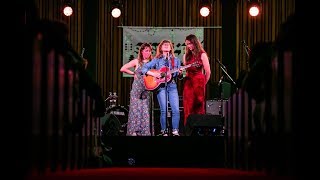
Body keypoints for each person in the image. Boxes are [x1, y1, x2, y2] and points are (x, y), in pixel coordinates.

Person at [141, 40, 182, 136]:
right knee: (164, 110)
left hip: (172, 85)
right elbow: (144, 69)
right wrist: (153, 73)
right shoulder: (157, 60)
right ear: (161, 48)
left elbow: (179, 77)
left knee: (175, 109)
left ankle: (175, 130)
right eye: (164, 44)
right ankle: (164, 131)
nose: (166, 45)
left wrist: (180, 73)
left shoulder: (176, 60)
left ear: (171, 48)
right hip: (160, 86)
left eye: (168, 44)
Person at [120, 43, 153, 136]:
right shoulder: (136, 61)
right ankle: (134, 131)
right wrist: (133, 73)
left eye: (150, 51)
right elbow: (122, 68)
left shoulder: (152, 62)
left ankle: (144, 132)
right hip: (136, 89)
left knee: (144, 110)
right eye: (146, 50)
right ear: (142, 51)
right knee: (135, 109)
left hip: (146, 89)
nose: (148, 52)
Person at [182, 34, 211, 126]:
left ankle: (199, 128)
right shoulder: (186, 56)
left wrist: (203, 83)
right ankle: (188, 128)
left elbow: (208, 72)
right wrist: (181, 72)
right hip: (188, 82)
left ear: (195, 42)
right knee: (188, 105)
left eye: (190, 43)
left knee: (198, 104)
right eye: (187, 44)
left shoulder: (202, 54)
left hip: (199, 81)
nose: (189, 46)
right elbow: (185, 72)